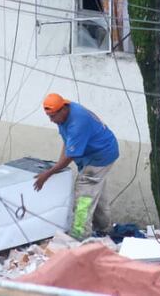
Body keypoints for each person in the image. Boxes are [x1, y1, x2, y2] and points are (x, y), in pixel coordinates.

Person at [33, 93, 119, 239]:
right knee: (96, 193)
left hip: (100, 156)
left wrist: (49, 173)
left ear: (63, 109)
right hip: (97, 152)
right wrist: (56, 167)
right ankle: (105, 229)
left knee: (84, 194)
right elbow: (68, 143)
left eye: (53, 116)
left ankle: (79, 235)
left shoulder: (77, 123)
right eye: (49, 117)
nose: (51, 120)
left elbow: (69, 156)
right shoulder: (65, 116)